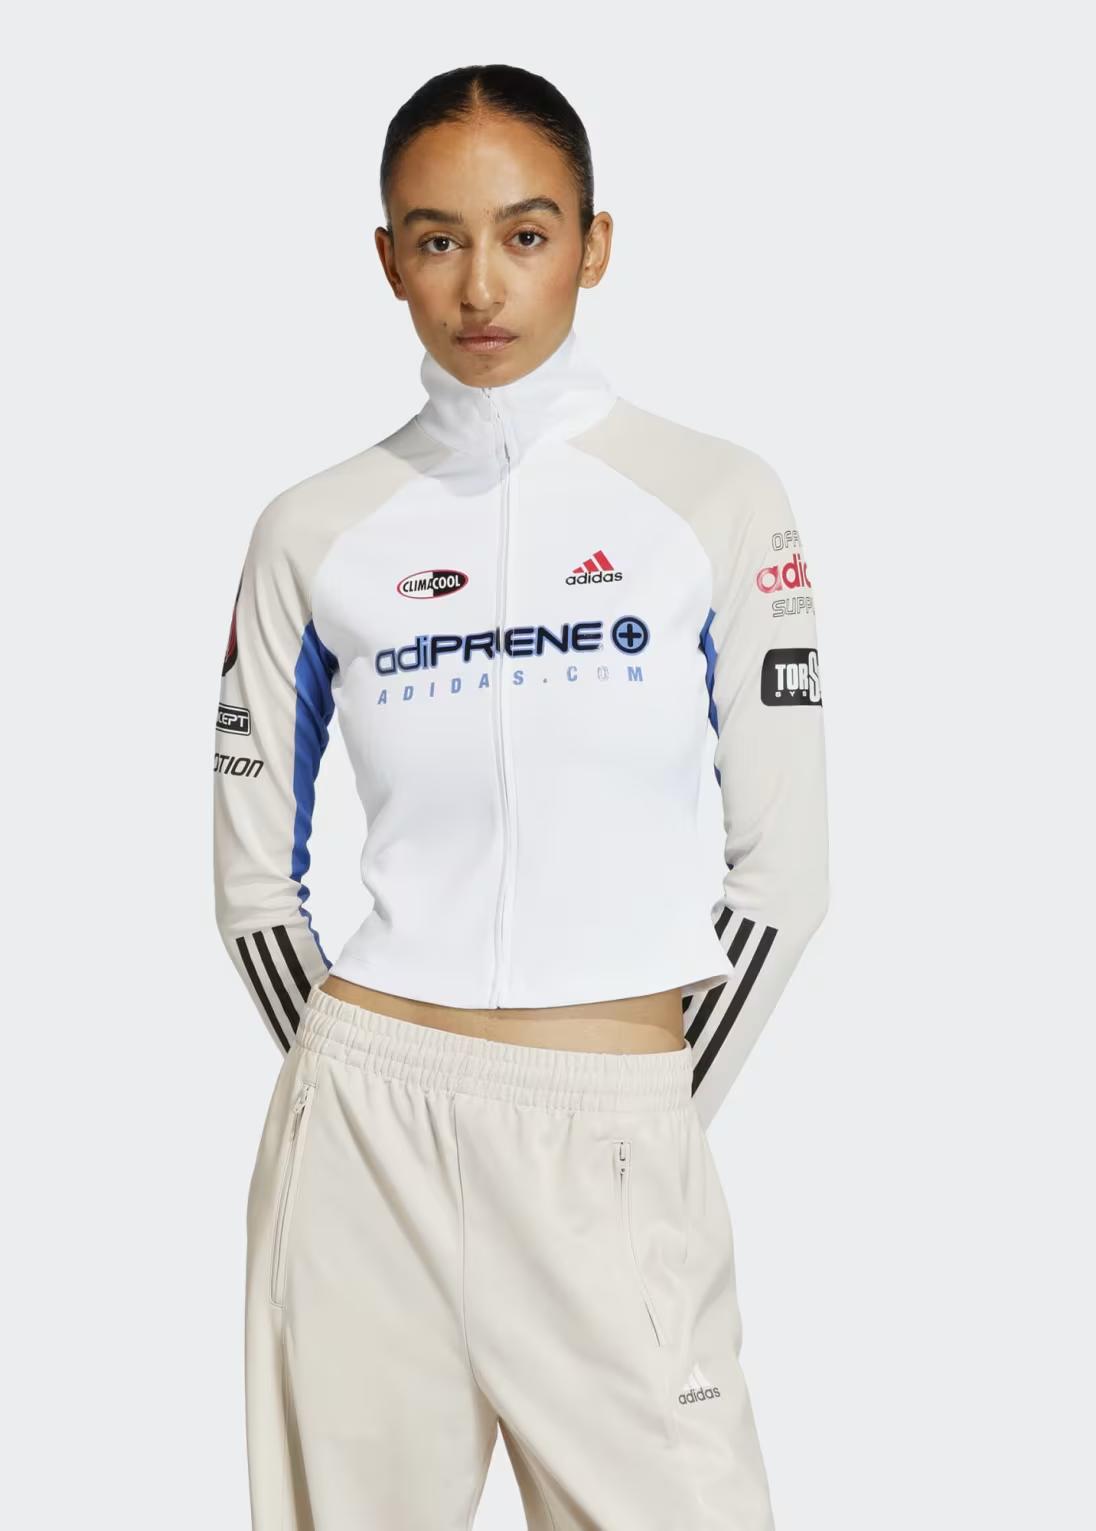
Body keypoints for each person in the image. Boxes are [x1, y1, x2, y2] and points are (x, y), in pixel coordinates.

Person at [212, 62, 829, 1531]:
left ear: (594, 245)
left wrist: (646, 1104)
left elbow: (786, 878)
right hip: (364, 1150)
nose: (481, 285)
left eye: (526, 233)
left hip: (612, 1130)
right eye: (438, 240)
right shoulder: (314, 529)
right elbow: (250, 885)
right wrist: (352, 1090)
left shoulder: (716, 501)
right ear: (389, 261)